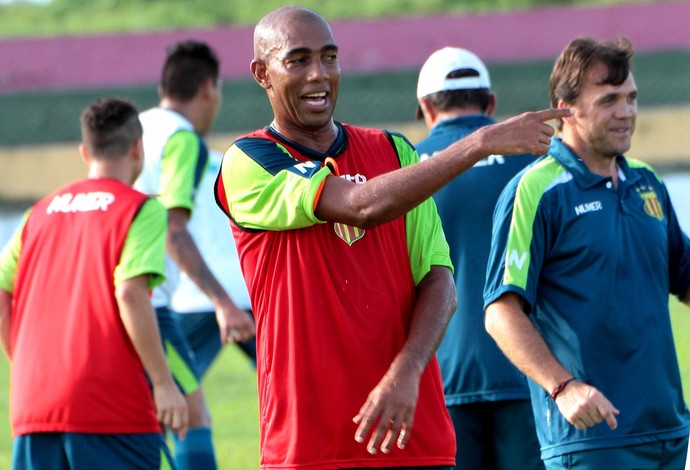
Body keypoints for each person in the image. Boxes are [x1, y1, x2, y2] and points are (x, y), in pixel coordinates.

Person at [213, 5, 569, 469]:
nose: (319, 74)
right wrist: (479, 141)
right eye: (298, 60)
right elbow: (361, 207)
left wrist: (407, 372)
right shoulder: (249, 160)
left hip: (414, 434)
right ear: (262, 73)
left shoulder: (394, 150)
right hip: (309, 445)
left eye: (330, 57)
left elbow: (439, 279)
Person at [483, 36, 690, 469]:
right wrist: (564, 388)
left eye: (631, 98)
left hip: (669, 432)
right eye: (610, 99)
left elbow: (684, 278)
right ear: (566, 108)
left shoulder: (647, 182)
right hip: (591, 442)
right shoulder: (535, 190)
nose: (627, 112)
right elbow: (501, 312)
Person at [0, 97, 188, 469]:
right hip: (109, 406)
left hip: (34, 403)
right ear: (138, 149)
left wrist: (23, 363)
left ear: (84, 152)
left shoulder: (37, 213)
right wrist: (164, 384)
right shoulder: (140, 208)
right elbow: (131, 292)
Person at [415, 47, 542, 470]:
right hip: (532, 373)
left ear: (426, 107)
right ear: (491, 104)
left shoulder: (405, 171)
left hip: (438, 378)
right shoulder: (535, 162)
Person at [134, 39, 255, 469]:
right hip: (226, 294)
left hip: (164, 296)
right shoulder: (187, 141)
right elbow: (174, 227)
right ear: (208, 88)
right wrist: (222, 301)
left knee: (182, 411)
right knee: (306, 396)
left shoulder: (132, 132)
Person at [171, 148, 257, 372]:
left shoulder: (171, 169)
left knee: (169, 384)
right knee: (289, 378)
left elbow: (171, 229)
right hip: (247, 287)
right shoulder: (228, 162)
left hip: (198, 294)